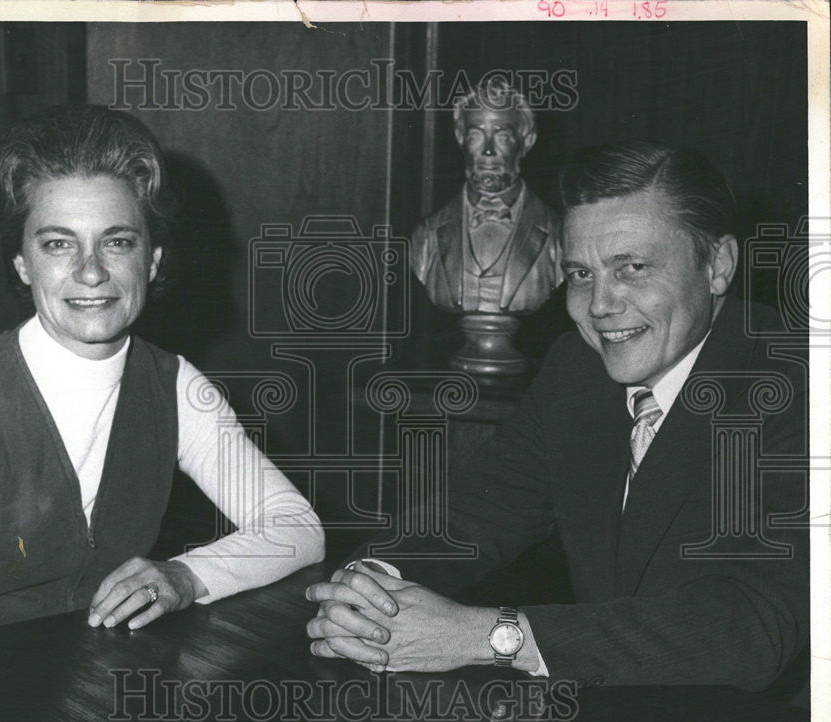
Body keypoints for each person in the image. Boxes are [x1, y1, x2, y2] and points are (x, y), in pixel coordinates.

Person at [306, 141, 808, 692]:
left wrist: (490, 637)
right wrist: (370, 587)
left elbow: (756, 625)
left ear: (718, 266)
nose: (599, 306)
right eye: (581, 274)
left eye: (632, 268)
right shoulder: (578, 367)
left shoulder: (798, 383)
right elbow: (476, 513)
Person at [0, 105, 323, 652]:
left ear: (152, 261)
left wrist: (187, 576)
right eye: (58, 243)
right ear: (23, 264)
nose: (91, 270)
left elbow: (296, 527)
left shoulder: (177, 387)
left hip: (104, 698)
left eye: (117, 241)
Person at [409, 74, 560, 316]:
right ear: (460, 138)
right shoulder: (426, 235)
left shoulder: (558, 234)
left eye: (502, 137)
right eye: (476, 135)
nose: (488, 150)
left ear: (526, 141)